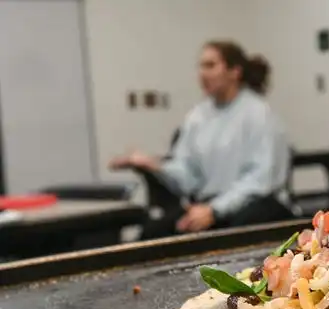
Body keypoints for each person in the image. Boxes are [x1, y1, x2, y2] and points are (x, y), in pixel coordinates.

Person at [110, 41, 292, 240]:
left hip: (254, 205)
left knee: (233, 235)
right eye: (201, 66)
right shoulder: (197, 117)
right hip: (209, 206)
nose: (203, 73)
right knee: (153, 233)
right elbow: (188, 177)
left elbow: (260, 181)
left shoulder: (259, 114)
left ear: (235, 72)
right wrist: (156, 166)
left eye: (211, 65)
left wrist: (214, 210)